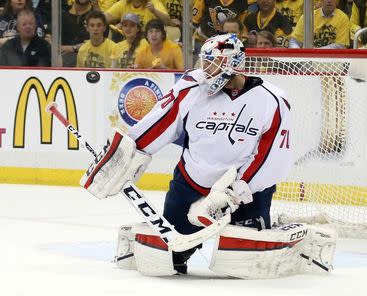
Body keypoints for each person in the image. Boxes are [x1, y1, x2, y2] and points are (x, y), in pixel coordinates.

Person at [79, 33, 293, 274]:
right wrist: (128, 154)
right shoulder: (193, 86)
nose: (206, 70)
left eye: (213, 63)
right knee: (165, 260)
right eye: (205, 62)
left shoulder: (272, 100)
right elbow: (161, 121)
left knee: (244, 264)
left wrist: (234, 193)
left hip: (243, 194)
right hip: (190, 186)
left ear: (234, 63)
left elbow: (271, 157)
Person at [60, 0, 95, 67]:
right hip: (63, 62)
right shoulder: (62, 14)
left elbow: (99, 42)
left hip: (90, 61)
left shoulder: (96, 16)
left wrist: (75, 48)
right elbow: (49, 40)